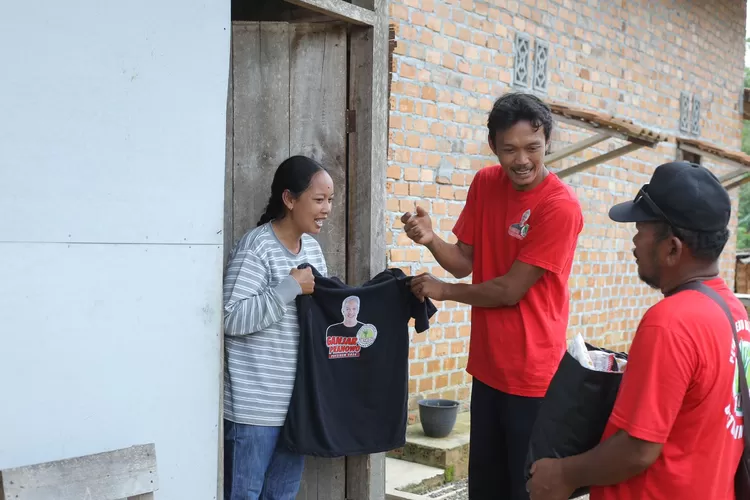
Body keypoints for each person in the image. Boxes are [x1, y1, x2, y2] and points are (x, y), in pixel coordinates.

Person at [526, 161, 748, 500]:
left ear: (672, 248)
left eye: (641, 229)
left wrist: (562, 473)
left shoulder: (671, 321)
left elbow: (639, 448)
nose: (634, 240)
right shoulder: (734, 311)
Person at [402, 92, 584, 499]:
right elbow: (464, 260)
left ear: (548, 141)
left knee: (524, 491)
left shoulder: (559, 207)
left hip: (533, 375)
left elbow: (509, 290)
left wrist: (445, 292)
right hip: (487, 368)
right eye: (510, 149)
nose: (521, 159)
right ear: (493, 147)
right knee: (485, 489)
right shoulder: (486, 183)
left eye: (532, 148)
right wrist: (431, 240)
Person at [222, 155, 334, 500]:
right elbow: (229, 317)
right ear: (289, 199)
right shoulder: (256, 248)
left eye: (330, 200)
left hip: (296, 406)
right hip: (253, 411)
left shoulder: (313, 250)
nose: (326, 208)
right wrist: (288, 287)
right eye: (318, 200)